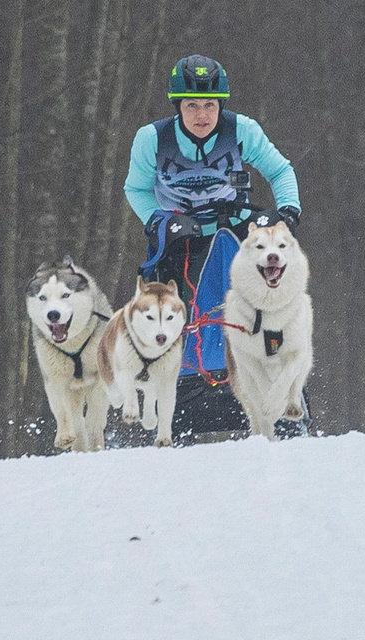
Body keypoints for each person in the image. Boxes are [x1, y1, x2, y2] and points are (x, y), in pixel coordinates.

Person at [123, 54, 301, 435]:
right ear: (177, 106)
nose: (202, 115)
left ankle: (282, 388)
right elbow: (136, 189)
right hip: (177, 240)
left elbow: (280, 170)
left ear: (221, 105)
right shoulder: (152, 139)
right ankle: (166, 396)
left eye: (209, 105)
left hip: (234, 231)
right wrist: (159, 219)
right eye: (191, 106)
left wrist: (287, 212)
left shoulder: (242, 130)